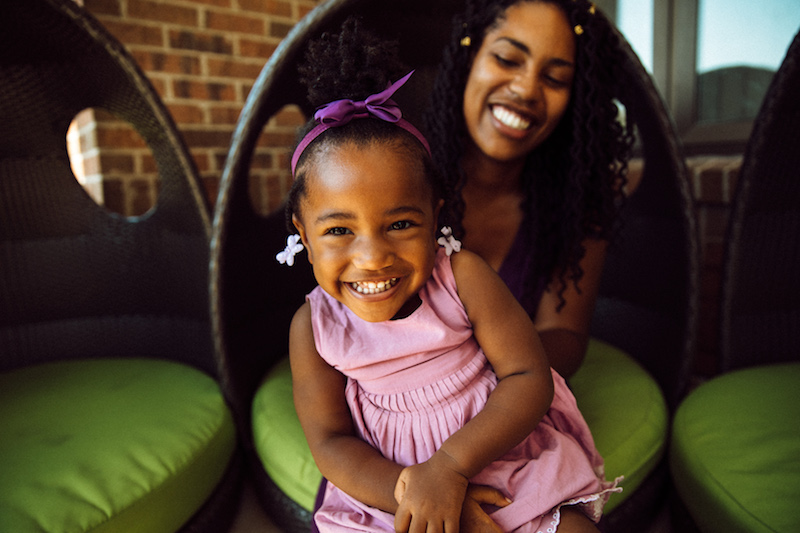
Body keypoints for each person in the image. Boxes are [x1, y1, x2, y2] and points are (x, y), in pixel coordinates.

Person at [279, 18, 620, 532]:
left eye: (399, 223)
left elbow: (530, 376)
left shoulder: (462, 277)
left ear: (436, 215)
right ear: (302, 233)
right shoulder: (313, 328)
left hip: (494, 453)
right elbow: (330, 441)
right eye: (339, 231)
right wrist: (418, 494)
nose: (372, 256)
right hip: (391, 485)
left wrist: (450, 468)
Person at [424, 0, 635, 379]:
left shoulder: (577, 204)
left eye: (555, 79)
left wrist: (481, 384)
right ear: (468, 59)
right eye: (507, 58)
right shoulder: (404, 176)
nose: (525, 90)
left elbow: (564, 333)